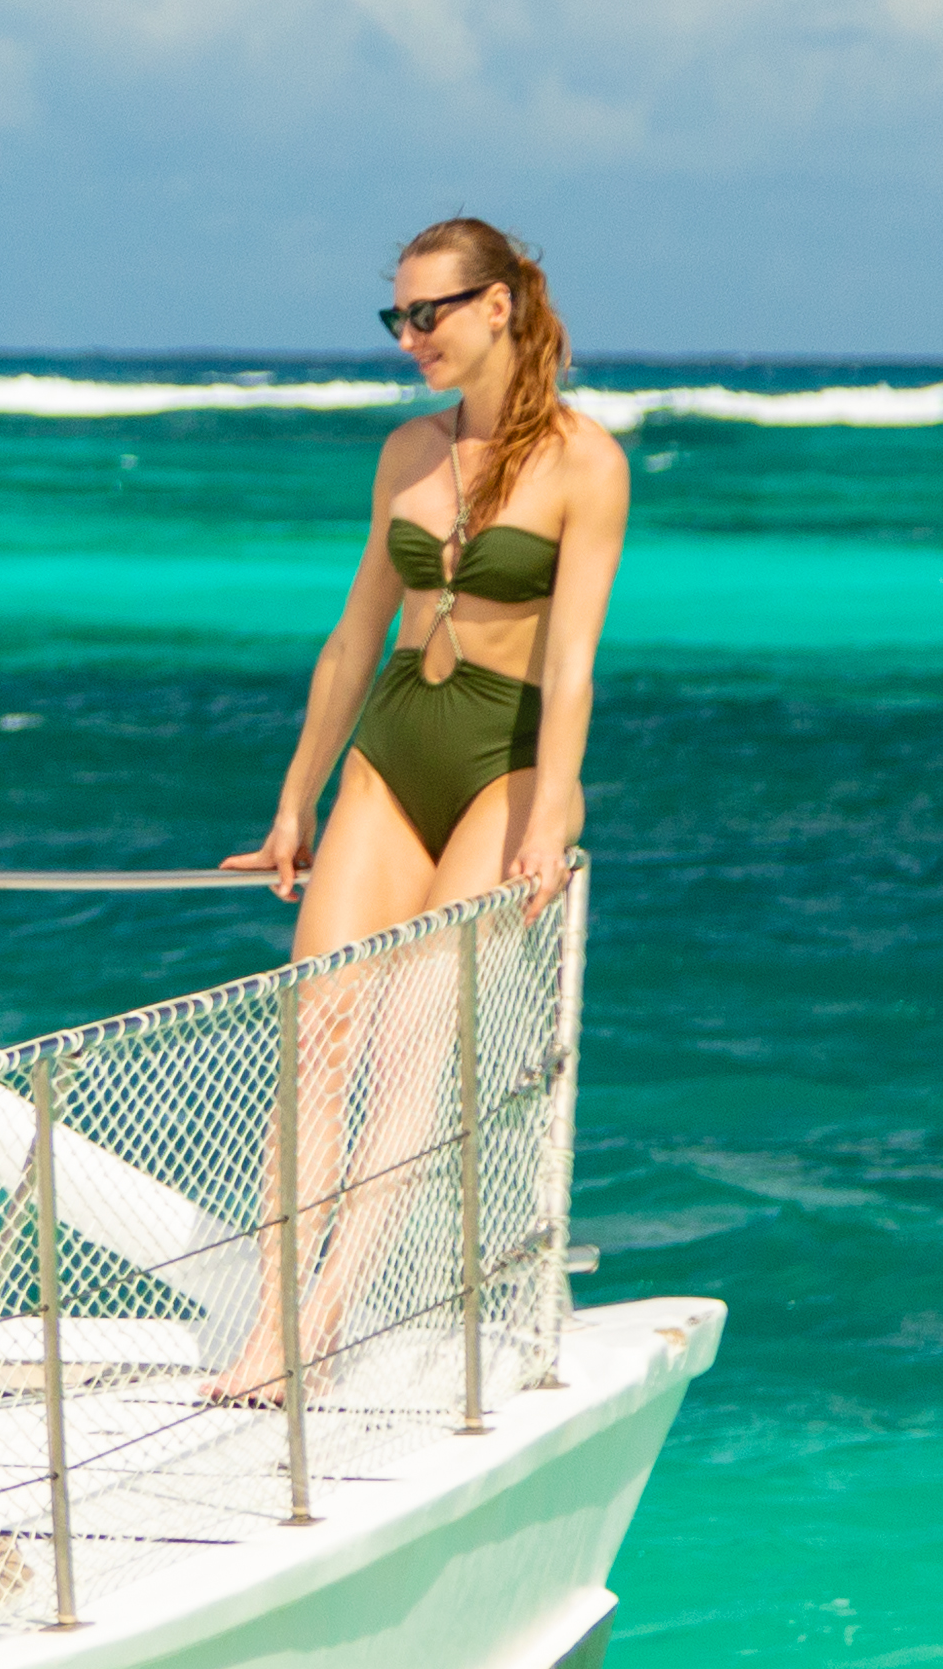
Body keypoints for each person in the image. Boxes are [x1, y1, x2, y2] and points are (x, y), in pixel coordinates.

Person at [212, 217, 632, 1396]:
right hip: (393, 751)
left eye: (428, 314)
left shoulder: (585, 463)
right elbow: (352, 638)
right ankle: (271, 1318)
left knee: (408, 1047)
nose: (411, 338)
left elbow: (580, 662)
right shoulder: (406, 452)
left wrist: (549, 816)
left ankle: (324, 1323)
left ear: (498, 305)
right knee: (319, 1032)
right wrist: (294, 797)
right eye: (396, 317)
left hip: (503, 762)